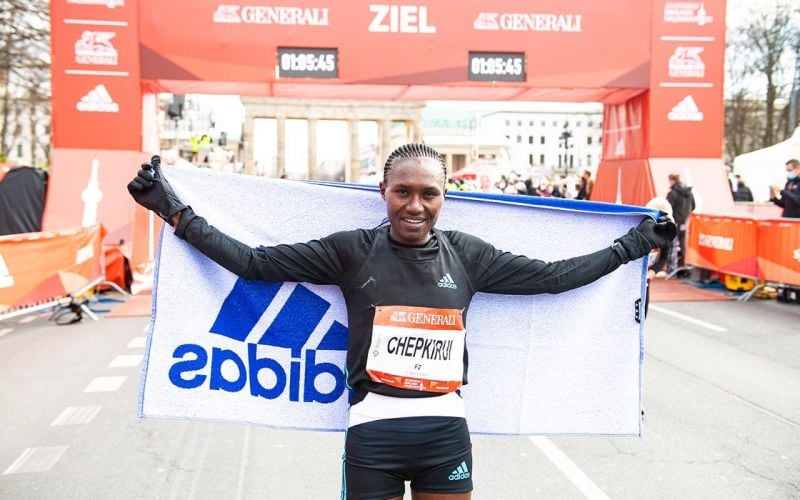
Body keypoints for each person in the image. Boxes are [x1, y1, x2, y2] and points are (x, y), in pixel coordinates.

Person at [127, 144, 675, 500]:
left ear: (444, 197)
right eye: (403, 191)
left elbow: (556, 277)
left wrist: (635, 246)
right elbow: (254, 263)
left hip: (444, 437)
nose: (415, 205)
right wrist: (173, 211)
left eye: (428, 193)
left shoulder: (469, 255)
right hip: (372, 438)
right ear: (383, 194)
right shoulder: (350, 251)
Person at [666, 173, 695, 270]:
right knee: (684, 245)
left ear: (672, 180)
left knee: (672, 245)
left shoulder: (672, 193)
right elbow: (693, 206)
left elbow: (667, 208)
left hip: (674, 221)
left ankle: (672, 269)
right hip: (685, 222)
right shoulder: (689, 192)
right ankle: (685, 267)